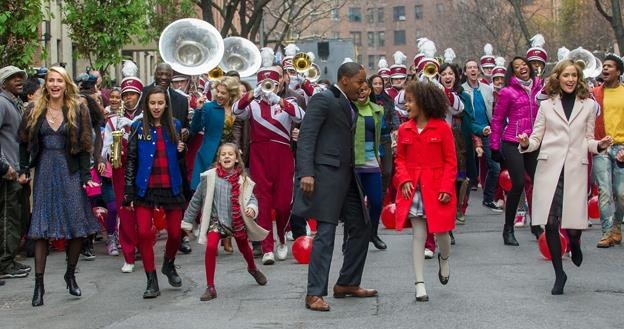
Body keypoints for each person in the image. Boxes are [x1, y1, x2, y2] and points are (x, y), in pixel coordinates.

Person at [517, 59, 612, 294]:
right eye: (565, 75)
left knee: (572, 224)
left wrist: (600, 145)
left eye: (574, 75)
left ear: (578, 79)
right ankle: (559, 274)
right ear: (557, 78)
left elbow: (588, 140)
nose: (570, 79)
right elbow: (537, 138)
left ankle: (575, 242)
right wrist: (527, 142)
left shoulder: (588, 105)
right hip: (550, 169)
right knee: (550, 221)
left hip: (575, 169)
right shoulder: (547, 106)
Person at [293, 62, 377, 312]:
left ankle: (347, 283)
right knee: (326, 234)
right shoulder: (323, 99)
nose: (364, 86)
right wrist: (306, 172)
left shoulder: (349, 103)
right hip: (325, 175)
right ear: (344, 80)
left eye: (365, 82)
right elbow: (306, 136)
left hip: (348, 176)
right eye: (360, 81)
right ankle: (314, 294)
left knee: (362, 226)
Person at [18, 66, 101, 307]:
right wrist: (24, 168)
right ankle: (39, 285)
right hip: (44, 170)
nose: (55, 85)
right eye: (51, 81)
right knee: (41, 228)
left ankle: (70, 274)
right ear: (46, 84)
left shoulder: (78, 108)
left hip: (71, 171)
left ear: (66, 84)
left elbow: (85, 144)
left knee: (76, 226)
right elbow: (23, 142)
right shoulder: (34, 109)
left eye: (59, 81)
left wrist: (86, 176)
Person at [233, 66, 304, 265]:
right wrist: (251, 94)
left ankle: (282, 238)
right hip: (259, 157)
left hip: (282, 157)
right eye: (264, 83)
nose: (267, 88)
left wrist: (278, 100)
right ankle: (267, 247)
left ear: (278, 82)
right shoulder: (252, 105)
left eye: (271, 83)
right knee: (262, 203)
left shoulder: (288, 101)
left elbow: (301, 116)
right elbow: (236, 111)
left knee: (282, 204)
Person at [394, 81, 457, 302]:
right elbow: (400, 159)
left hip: (438, 188)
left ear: (424, 102)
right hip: (414, 189)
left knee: (442, 233)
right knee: (418, 234)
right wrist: (403, 180)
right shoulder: (404, 129)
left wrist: (447, 187)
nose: (406, 105)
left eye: (410, 100)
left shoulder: (442, 127)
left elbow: (451, 162)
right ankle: (419, 283)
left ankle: (445, 258)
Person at [181, 143, 268, 301]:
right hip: (217, 220)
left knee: (244, 248)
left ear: (236, 159)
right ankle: (210, 286)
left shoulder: (243, 180)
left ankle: (252, 268)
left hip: (236, 220)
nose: (227, 156)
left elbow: (252, 198)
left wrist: (251, 208)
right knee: (212, 246)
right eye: (223, 154)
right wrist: (187, 222)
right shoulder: (209, 177)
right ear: (219, 159)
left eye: (230, 154)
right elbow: (196, 200)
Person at [124, 86, 186, 298]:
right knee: (143, 233)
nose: (156, 107)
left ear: (166, 104)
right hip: (145, 186)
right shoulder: (138, 127)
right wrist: (128, 191)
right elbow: (131, 159)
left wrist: (182, 150)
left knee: (176, 234)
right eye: (152, 103)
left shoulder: (175, 125)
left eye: (160, 103)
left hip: (171, 185)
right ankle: (151, 280)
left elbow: (178, 158)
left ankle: (168, 263)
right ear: (146, 105)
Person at [490, 56, 544, 245]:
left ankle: (537, 225)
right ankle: (508, 229)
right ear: (512, 72)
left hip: (533, 142)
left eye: (524, 65)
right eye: (516, 67)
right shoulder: (507, 92)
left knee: (538, 184)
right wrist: (494, 146)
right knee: (519, 183)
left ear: (529, 67)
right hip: (512, 141)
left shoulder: (540, 88)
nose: (522, 68)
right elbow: (497, 119)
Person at [189, 77, 242, 254]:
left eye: (223, 93)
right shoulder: (210, 107)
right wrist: (198, 110)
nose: (218, 95)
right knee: (211, 198)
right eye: (217, 91)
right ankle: (214, 234)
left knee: (230, 195)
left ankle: (227, 236)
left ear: (231, 94)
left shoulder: (237, 109)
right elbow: (195, 128)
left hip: (231, 155)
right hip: (211, 156)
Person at [0, 66, 32, 281]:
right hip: (6, 173)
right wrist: (4, 166)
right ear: (3, 83)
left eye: (21, 77)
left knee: (16, 217)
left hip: (16, 171)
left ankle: (9, 259)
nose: (19, 81)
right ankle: (4, 262)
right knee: (7, 218)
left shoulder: (14, 102)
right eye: (13, 78)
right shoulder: (2, 103)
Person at [591, 54, 624, 248]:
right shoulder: (594, 93)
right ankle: (606, 232)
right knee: (604, 191)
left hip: (621, 148)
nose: (605, 69)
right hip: (601, 147)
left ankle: (617, 227)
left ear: (618, 72)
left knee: (621, 194)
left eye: (610, 66)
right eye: (603, 66)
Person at [462, 60, 501, 212]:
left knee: (495, 167)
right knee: (467, 171)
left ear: (478, 71)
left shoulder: (487, 89)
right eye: (469, 68)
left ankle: (488, 198)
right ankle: (462, 205)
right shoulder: (462, 90)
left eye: (475, 68)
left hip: (487, 130)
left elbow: (493, 110)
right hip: (468, 131)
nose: (472, 70)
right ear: (465, 72)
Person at [354, 79, 386, 250]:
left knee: (376, 200)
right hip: (353, 161)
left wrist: (378, 154)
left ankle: (373, 232)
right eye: (358, 89)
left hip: (371, 160)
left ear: (369, 91)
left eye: (365, 89)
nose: (361, 92)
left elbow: (379, 135)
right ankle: (352, 239)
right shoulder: (348, 108)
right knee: (355, 205)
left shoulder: (377, 110)